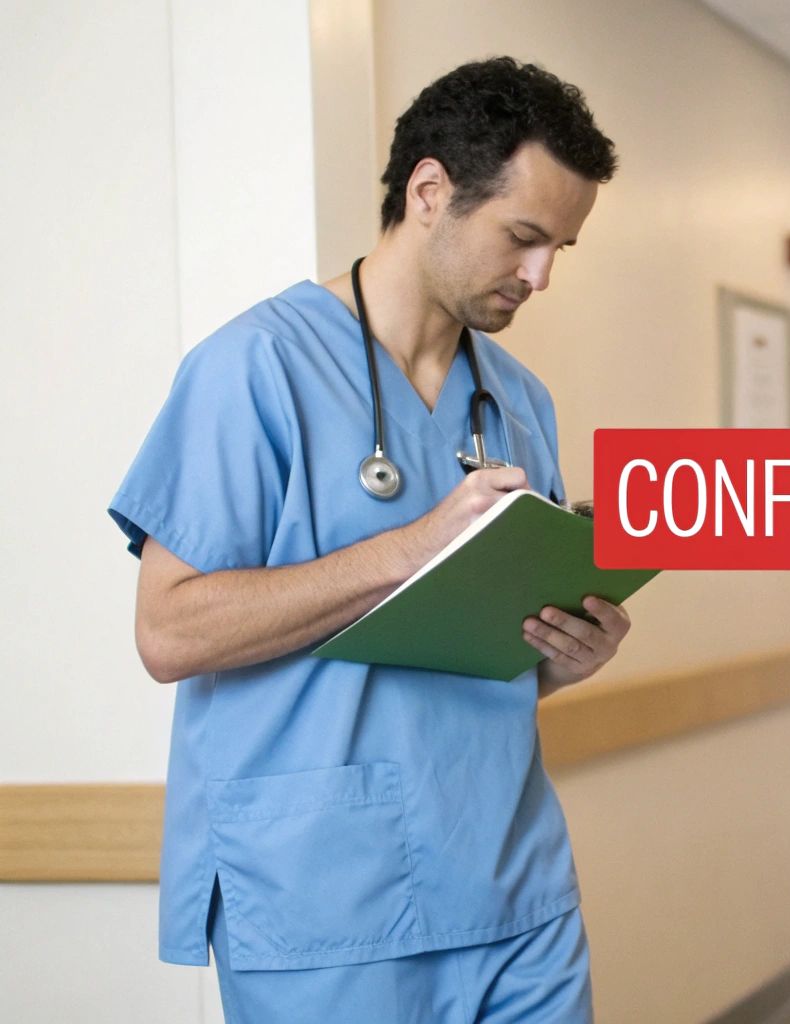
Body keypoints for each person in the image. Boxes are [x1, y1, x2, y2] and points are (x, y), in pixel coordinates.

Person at [108, 57, 625, 1023]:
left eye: (560, 247)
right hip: (324, 900)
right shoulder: (252, 369)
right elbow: (169, 634)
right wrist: (410, 546)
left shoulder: (517, 400)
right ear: (429, 192)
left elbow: (485, 645)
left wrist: (567, 651)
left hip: (513, 884)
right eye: (523, 237)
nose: (541, 276)